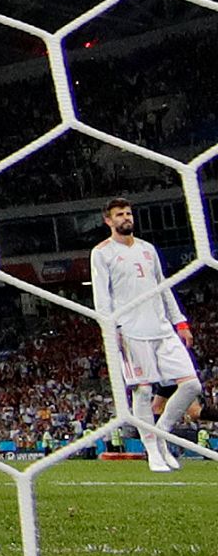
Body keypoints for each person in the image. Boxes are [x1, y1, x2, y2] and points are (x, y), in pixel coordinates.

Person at [89, 198, 200, 473]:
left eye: (128, 213)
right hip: (131, 330)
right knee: (143, 391)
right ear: (108, 220)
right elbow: (102, 297)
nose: (126, 217)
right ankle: (152, 452)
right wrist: (110, 328)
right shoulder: (102, 253)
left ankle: (161, 435)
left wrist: (180, 322)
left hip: (162, 329)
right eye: (119, 214)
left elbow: (164, 287)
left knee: (191, 385)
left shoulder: (148, 249)